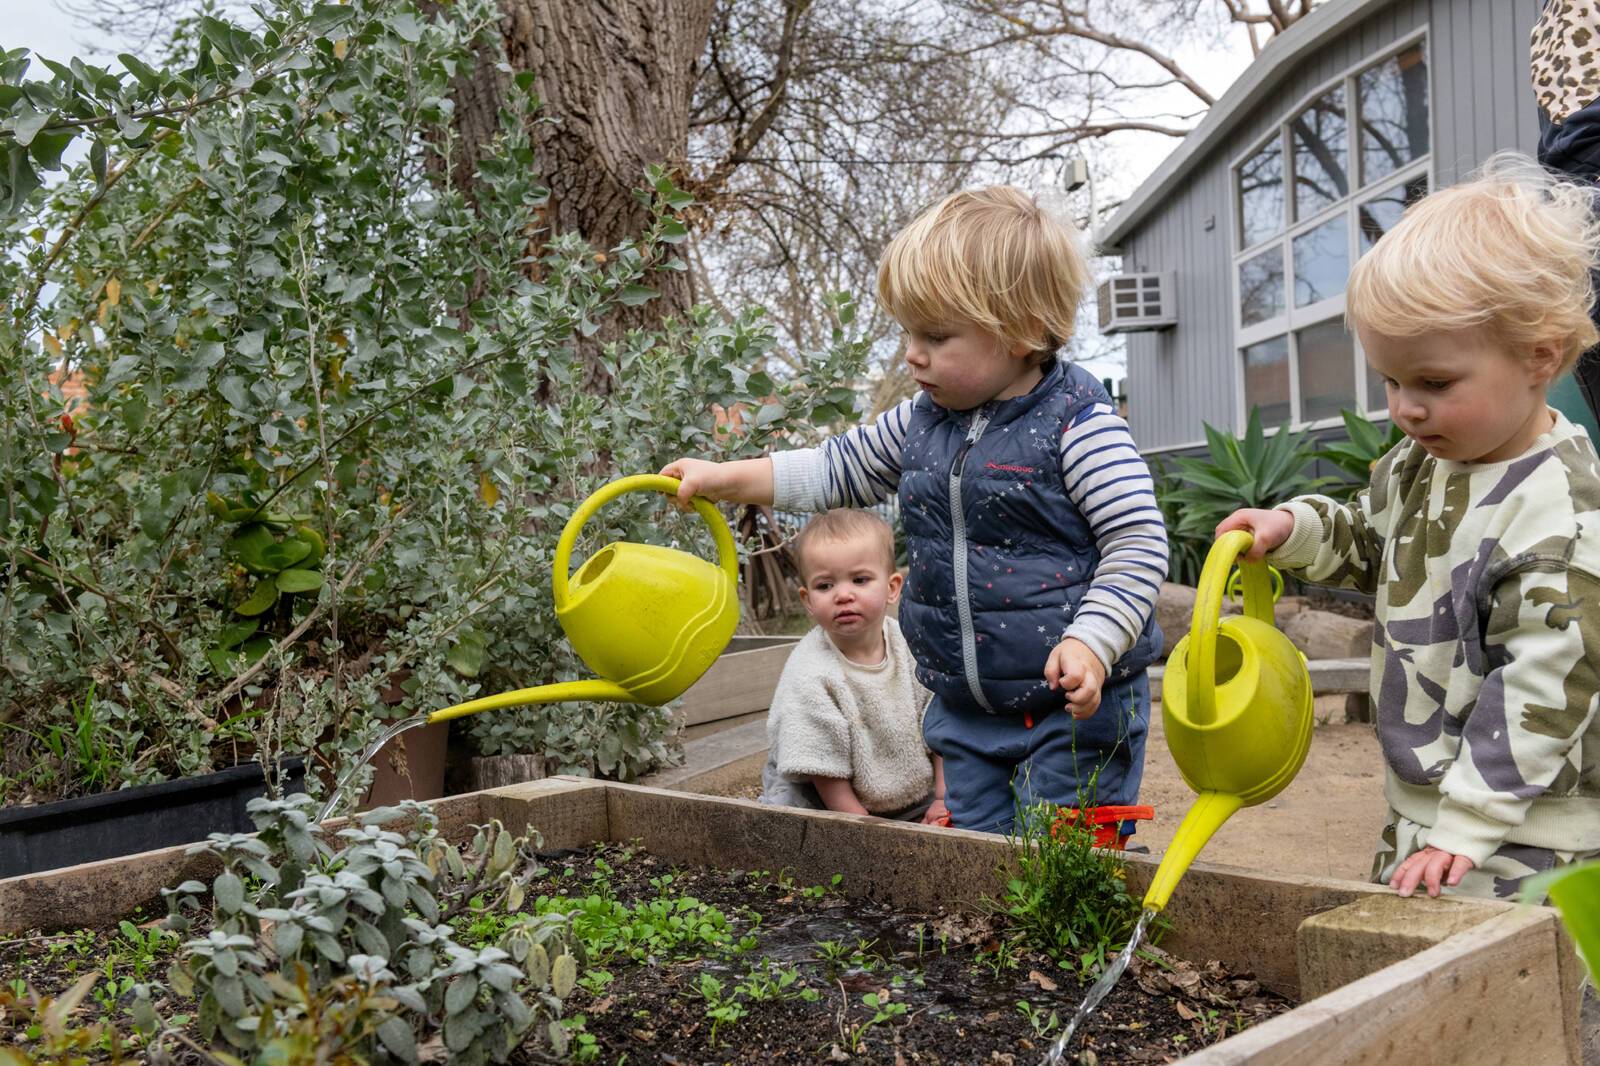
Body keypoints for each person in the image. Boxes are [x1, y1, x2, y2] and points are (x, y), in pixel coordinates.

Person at [666, 186, 1167, 836]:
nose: (911, 353)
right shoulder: (919, 423)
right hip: (967, 709)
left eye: (935, 335)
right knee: (973, 856)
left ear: (1019, 331)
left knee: (1062, 855)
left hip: (1072, 704)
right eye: (908, 331)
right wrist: (725, 478)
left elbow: (1137, 542)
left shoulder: (1079, 426)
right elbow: (833, 468)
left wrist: (1092, 642)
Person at [1218, 155, 1600, 901]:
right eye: (1390, 380)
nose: (1404, 408)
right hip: (1426, 812)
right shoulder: (1421, 463)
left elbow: (1547, 682)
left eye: (1434, 382)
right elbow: (1374, 544)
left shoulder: (1561, 511)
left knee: (1499, 975)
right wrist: (1293, 528)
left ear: (1540, 356)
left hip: (1528, 838)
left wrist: (1468, 823)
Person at [757, 509, 945, 823]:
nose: (843, 595)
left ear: (892, 588)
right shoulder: (810, 672)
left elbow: (939, 725)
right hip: (825, 796)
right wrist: (863, 826)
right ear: (807, 599)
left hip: (909, 787)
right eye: (825, 586)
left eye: (860, 580)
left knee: (969, 802)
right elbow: (819, 761)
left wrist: (942, 799)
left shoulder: (912, 648)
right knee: (788, 813)